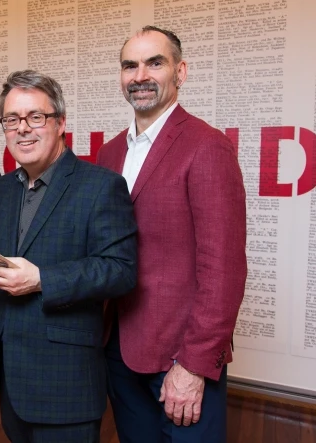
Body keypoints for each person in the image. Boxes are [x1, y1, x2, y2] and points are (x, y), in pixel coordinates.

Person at [96, 26, 247, 443]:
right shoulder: (110, 153)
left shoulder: (206, 146)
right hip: (118, 348)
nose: (140, 75)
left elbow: (225, 269)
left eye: (154, 63)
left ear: (180, 72)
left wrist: (194, 365)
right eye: (130, 65)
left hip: (179, 356)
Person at [0, 70, 137, 442]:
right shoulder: (1, 190)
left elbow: (121, 270)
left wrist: (41, 280)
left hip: (65, 384)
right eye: (12, 120)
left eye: (36, 117)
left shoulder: (101, 186)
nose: (23, 129)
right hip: (10, 378)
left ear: (61, 122)